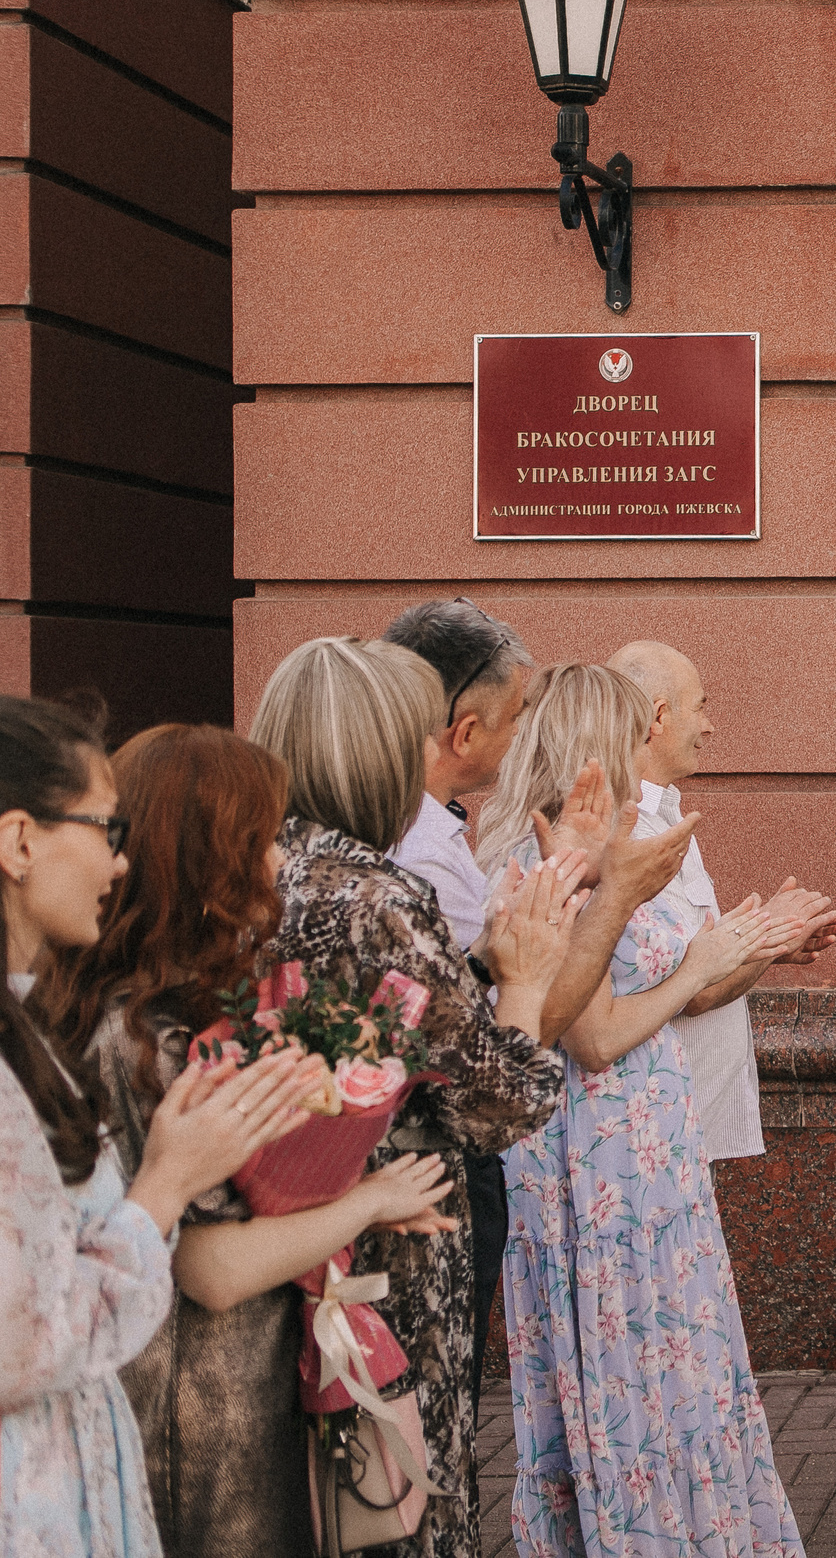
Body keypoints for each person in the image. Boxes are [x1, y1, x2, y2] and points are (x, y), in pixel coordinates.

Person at [36, 724, 459, 1558]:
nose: (279, 859)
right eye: (263, 838)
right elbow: (213, 1269)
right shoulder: (154, 1041)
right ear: (212, 864)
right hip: (201, 1427)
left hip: (190, 1406)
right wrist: (369, 1200)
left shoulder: (114, 1009)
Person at [249, 637, 591, 1558]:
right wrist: (525, 976)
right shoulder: (379, 894)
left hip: (271, 1249)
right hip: (386, 1252)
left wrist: (472, 961)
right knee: (400, 1503)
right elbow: (498, 1102)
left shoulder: (251, 873)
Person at [475, 663, 809, 1554]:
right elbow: (593, 1036)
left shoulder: (612, 847)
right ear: (596, 746)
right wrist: (701, 966)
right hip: (597, 1169)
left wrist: (744, 944)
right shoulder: (555, 864)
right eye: (632, 737)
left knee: (682, 1379)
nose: (645, 754)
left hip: (647, 1157)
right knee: (633, 1387)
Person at [0, 694, 317, 1558]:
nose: (119, 859)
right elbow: (23, 1340)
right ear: (20, 842)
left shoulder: (35, 1024)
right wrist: (166, 1186)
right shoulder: (106, 1036)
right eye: (105, 828)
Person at [382, 596, 536, 1414]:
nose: (519, 737)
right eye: (514, 718)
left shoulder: (431, 828)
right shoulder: (421, 855)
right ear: (466, 732)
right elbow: (478, 1047)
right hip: (438, 1157)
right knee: (438, 1401)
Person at [609, 639, 836, 1167]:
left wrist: (770, 944)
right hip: (657, 1133)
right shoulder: (631, 833)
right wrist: (768, 935)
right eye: (701, 707)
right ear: (658, 716)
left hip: (690, 1124)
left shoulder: (667, 817)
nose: (710, 726)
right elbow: (693, 990)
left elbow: (701, 963)